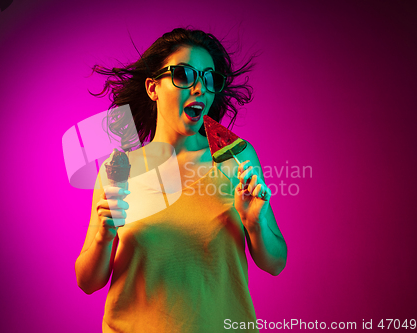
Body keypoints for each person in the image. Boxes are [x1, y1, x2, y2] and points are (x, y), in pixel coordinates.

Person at [75, 28, 287, 332]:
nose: (200, 88)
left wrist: (256, 224)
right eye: (185, 75)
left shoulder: (235, 159)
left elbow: (276, 263)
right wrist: (103, 237)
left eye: (208, 79)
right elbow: (87, 281)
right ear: (153, 88)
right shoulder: (120, 167)